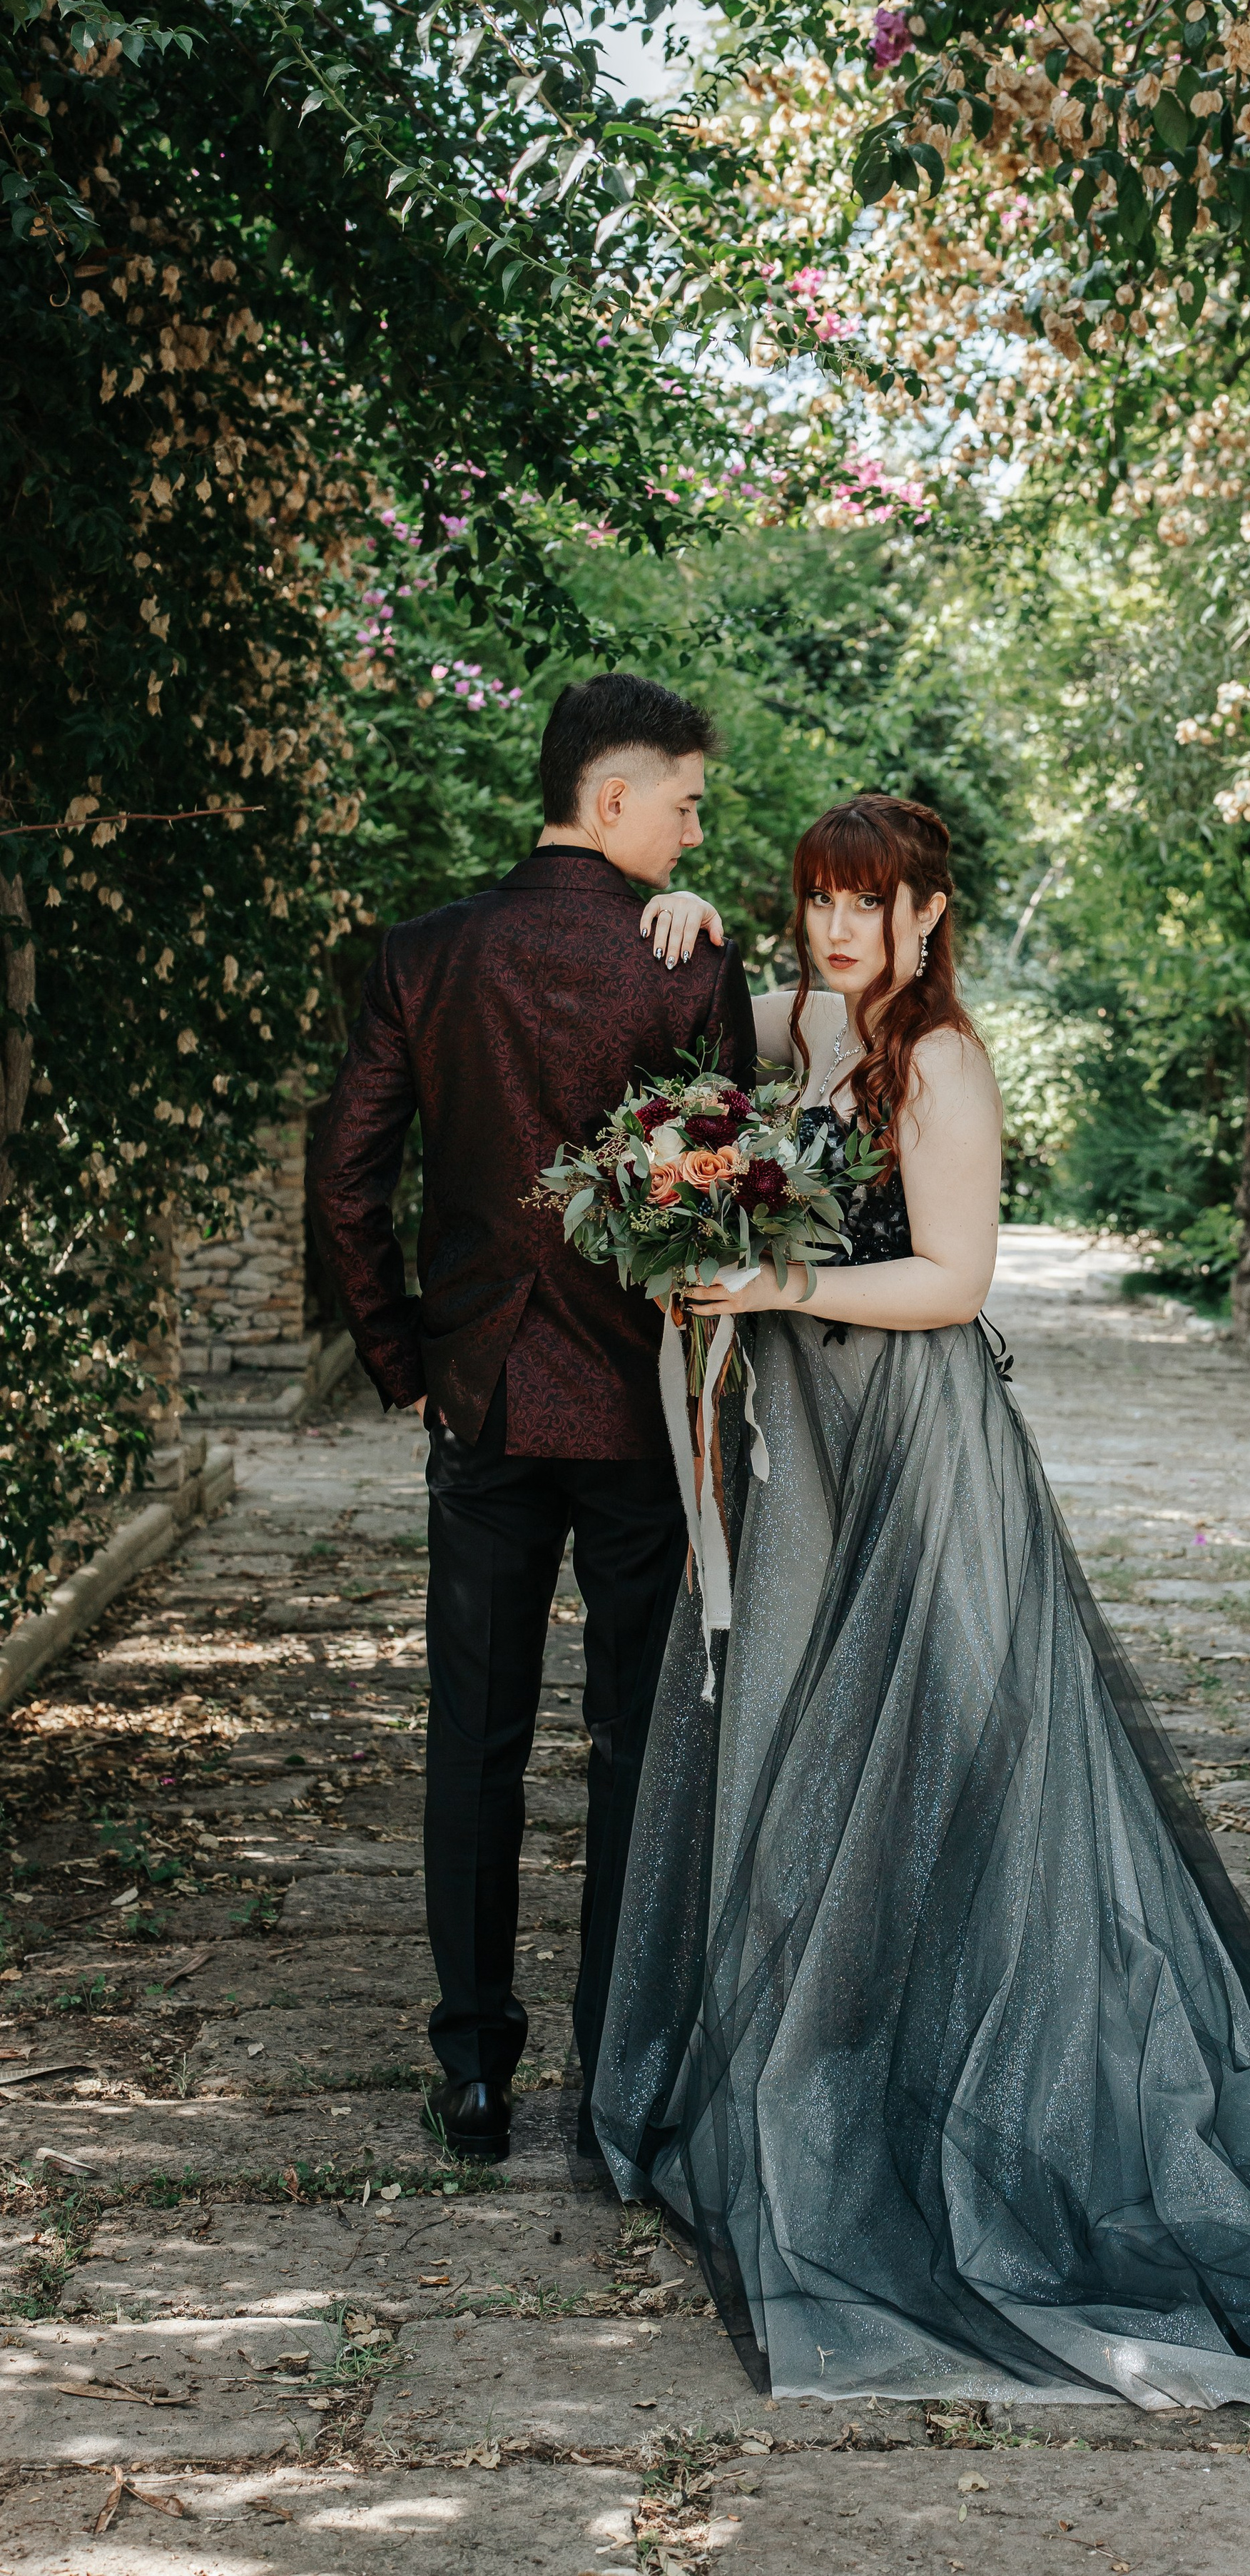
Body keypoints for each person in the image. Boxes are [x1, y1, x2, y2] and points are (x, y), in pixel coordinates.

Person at [589, 791, 1250, 2416]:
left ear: (928, 913)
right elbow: (707, 1020)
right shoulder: (802, 1033)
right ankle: (805, 2072)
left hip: (914, 1449)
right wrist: (685, 913)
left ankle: (960, 2099)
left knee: (934, 1758)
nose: (839, 927)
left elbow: (951, 1280)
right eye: (817, 900)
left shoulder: (939, 1064)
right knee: (789, 1735)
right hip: (800, 1453)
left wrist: (775, 1279)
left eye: (868, 902)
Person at [307, 672, 751, 2162]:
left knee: (474, 1738)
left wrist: (403, 1354)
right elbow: (730, 1187)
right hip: (634, 1406)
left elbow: (344, 1177)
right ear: (610, 799)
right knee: (632, 1742)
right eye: (684, 805)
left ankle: (476, 2073)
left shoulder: (426, 956)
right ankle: (617, 2078)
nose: (696, 834)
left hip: (484, 1401)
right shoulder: (687, 970)